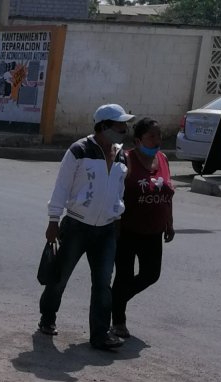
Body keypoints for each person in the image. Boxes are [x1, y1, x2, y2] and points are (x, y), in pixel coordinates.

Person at [39, 103, 133, 351]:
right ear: (103, 126)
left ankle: (100, 334)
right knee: (60, 278)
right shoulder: (79, 150)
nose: (124, 129)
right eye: (119, 125)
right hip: (76, 226)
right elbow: (62, 186)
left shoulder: (121, 154)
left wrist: (118, 220)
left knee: (103, 283)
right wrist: (53, 219)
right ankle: (47, 318)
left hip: (106, 229)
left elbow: (118, 192)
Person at [110, 118, 175, 338]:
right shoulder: (126, 159)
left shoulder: (163, 159)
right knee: (124, 276)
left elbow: (168, 192)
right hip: (127, 229)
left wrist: (170, 222)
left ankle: (111, 300)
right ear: (138, 140)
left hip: (154, 230)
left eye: (159, 136)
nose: (157, 140)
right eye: (151, 136)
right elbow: (115, 192)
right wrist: (114, 225)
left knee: (151, 274)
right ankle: (118, 320)